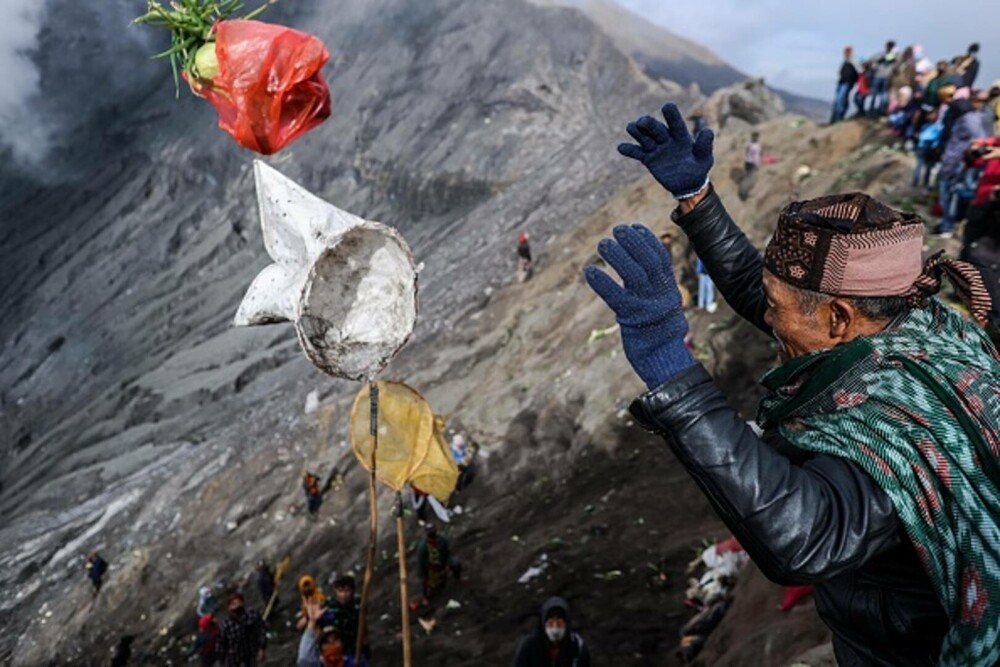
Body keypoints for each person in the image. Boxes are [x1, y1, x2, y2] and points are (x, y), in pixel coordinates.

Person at [590, 101, 1000, 666]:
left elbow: (806, 535)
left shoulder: (897, 428)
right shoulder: (923, 324)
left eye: (779, 309)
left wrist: (671, 368)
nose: (768, 319)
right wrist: (699, 200)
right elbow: (769, 294)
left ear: (837, 318)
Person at [935, 95, 989, 236]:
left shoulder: (965, 122)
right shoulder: (979, 118)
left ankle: (948, 225)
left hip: (957, 162)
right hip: (968, 163)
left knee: (948, 194)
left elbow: (959, 145)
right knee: (959, 194)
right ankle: (952, 222)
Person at [512, 597, 591, 667]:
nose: (555, 627)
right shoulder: (529, 646)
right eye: (550, 623)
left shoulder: (577, 647)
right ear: (543, 623)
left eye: (559, 623)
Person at [297, 596, 367, 667]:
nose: (331, 645)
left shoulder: (354, 662)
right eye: (326, 642)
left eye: (335, 640)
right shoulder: (317, 664)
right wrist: (312, 621)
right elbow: (304, 659)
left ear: (342, 644)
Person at [216, 592, 267, 667]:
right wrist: (221, 662)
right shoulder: (226, 625)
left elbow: (261, 630)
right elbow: (221, 645)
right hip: (234, 659)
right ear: (229, 608)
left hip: (250, 653)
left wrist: (261, 648)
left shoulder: (252, 615)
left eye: (239, 602)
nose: (237, 605)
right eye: (233, 604)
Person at [416, 524, 461, 603]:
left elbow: (447, 553)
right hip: (431, 568)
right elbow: (421, 563)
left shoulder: (442, 540)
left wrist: (447, 564)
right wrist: (424, 574)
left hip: (442, 563)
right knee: (425, 581)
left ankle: (457, 579)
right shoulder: (423, 547)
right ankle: (425, 596)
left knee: (456, 564)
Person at [326, 574, 365, 661]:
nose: (344, 594)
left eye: (347, 591)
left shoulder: (357, 604)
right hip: (337, 650)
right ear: (335, 591)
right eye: (340, 591)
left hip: (355, 645)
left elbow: (363, 625)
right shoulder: (330, 606)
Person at [831, 47, 858, 123]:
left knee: (840, 100)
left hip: (848, 83)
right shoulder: (844, 61)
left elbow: (860, 71)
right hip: (841, 82)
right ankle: (834, 118)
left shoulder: (854, 61)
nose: (845, 54)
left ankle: (839, 117)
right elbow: (840, 71)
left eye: (847, 52)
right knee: (837, 101)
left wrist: (853, 81)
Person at [870, 40, 897, 115]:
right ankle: (874, 109)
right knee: (877, 94)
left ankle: (879, 109)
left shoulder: (894, 55)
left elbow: (896, 64)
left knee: (882, 94)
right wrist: (880, 59)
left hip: (884, 76)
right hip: (880, 76)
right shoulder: (881, 54)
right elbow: (872, 59)